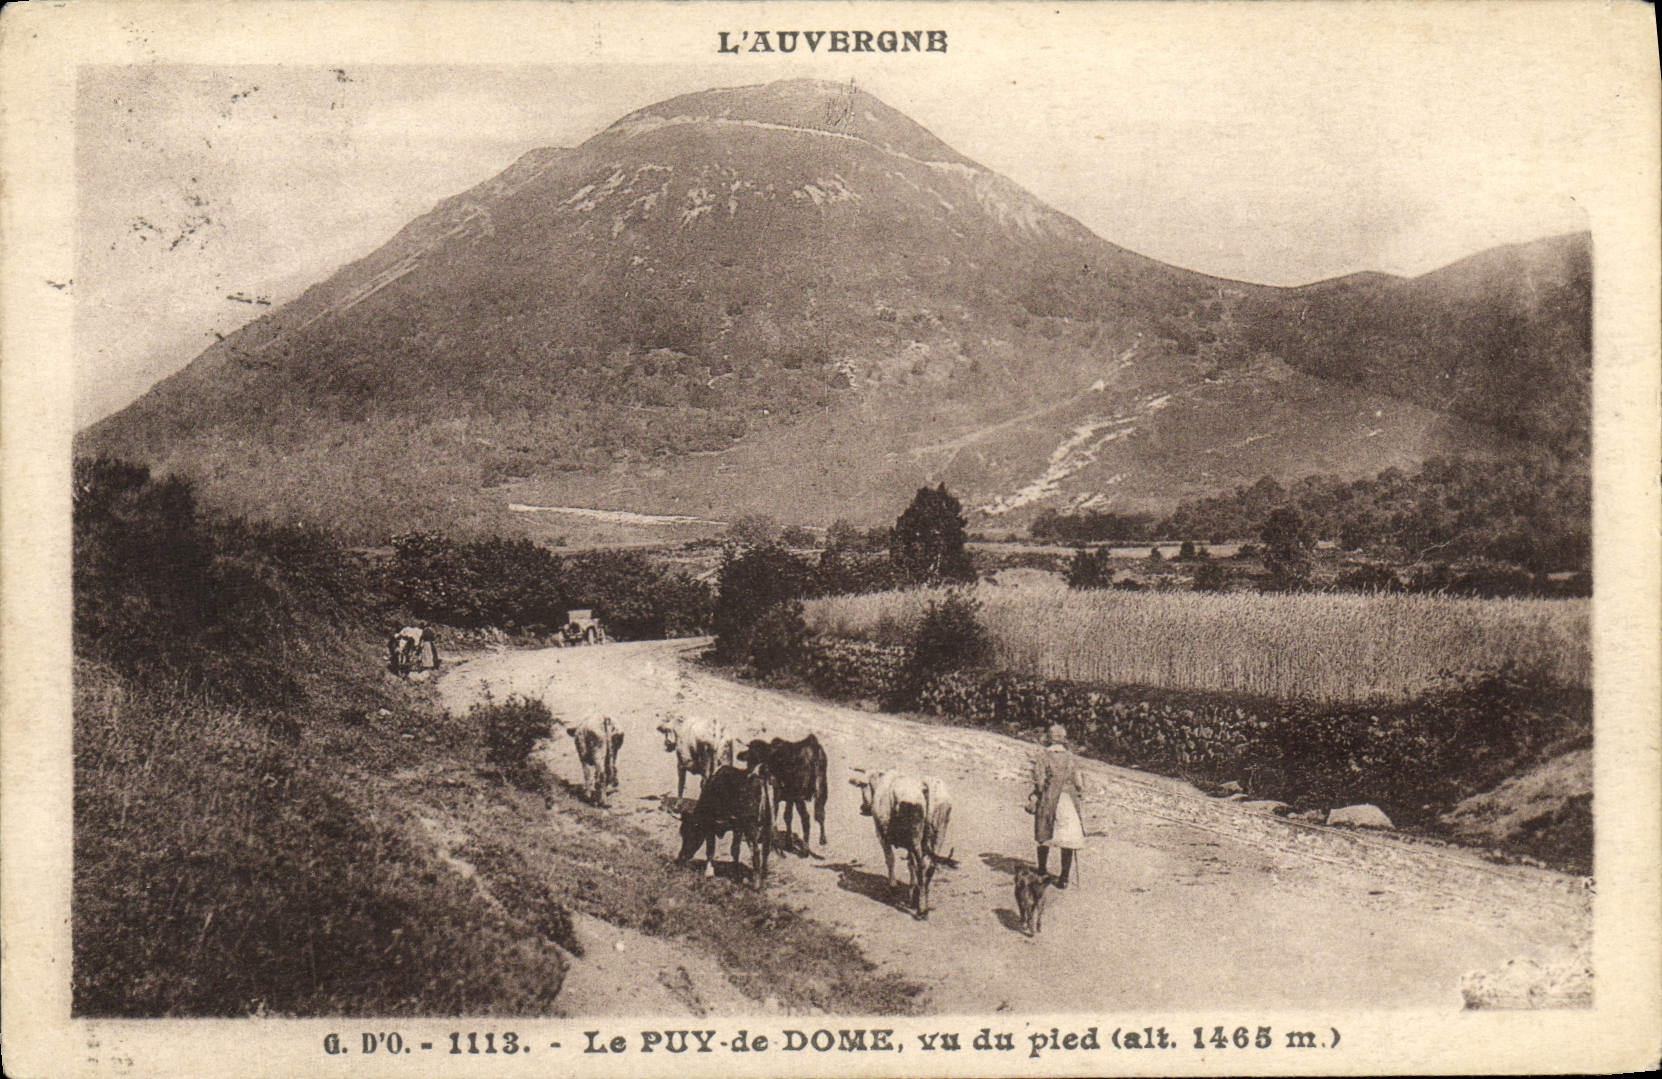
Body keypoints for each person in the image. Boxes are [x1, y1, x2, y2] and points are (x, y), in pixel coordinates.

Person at [1030, 722, 1086, 887]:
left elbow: (1040, 783)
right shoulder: (1070, 757)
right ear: (1063, 739)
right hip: (1068, 800)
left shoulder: (1043, 756)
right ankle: (1064, 878)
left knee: (1044, 833)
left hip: (1049, 798)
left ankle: (1042, 871)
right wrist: (1079, 793)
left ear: (1049, 738)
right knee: (1067, 838)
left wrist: (1036, 793)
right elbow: (1079, 781)